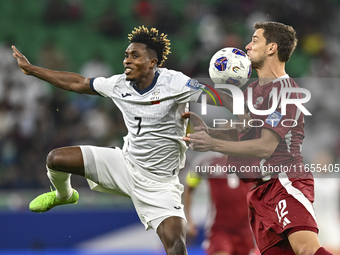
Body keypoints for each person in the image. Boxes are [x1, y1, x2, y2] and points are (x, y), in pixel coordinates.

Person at [12, 26, 207, 255]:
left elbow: (214, 95)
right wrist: (32, 70)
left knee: (177, 247)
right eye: (126, 55)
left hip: (160, 184)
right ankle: (64, 195)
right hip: (125, 164)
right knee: (55, 159)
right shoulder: (118, 84)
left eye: (135, 55)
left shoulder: (176, 83)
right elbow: (79, 83)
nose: (127, 60)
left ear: (153, 62)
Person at [183, 22, 333, 255]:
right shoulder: (259, 92)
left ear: (271, 48)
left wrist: (212, 144)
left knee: (306, 249)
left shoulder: (284, 91)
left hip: (284, 181)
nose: (247, 46)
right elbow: (246, 131)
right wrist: (209, 133)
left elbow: (265, 146)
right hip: (260, 192)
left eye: (254, 40)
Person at [184, 151, 258, 255]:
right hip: (219, 229)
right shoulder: (207, 161)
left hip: (245, 230)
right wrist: (189, 219)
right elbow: (189, 187)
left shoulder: (252, 162)